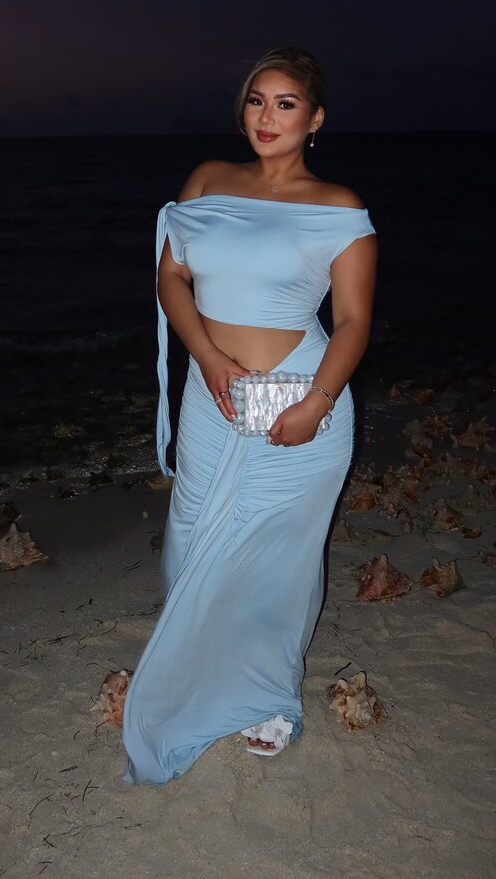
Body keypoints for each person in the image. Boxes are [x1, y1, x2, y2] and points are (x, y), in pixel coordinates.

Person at [122, 47, 377, 785]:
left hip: (303, 397)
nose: (267, 116)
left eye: (286, 103)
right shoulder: (207, 180)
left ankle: (267, 693)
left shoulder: (339, 206)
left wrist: (316, 404)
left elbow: (354, 321)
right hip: (213, 393)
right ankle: (204, 667)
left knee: (277, 556)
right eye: (257, 101)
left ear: (315, 118)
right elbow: (172, 277)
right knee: (193, 534)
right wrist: (205, 357)